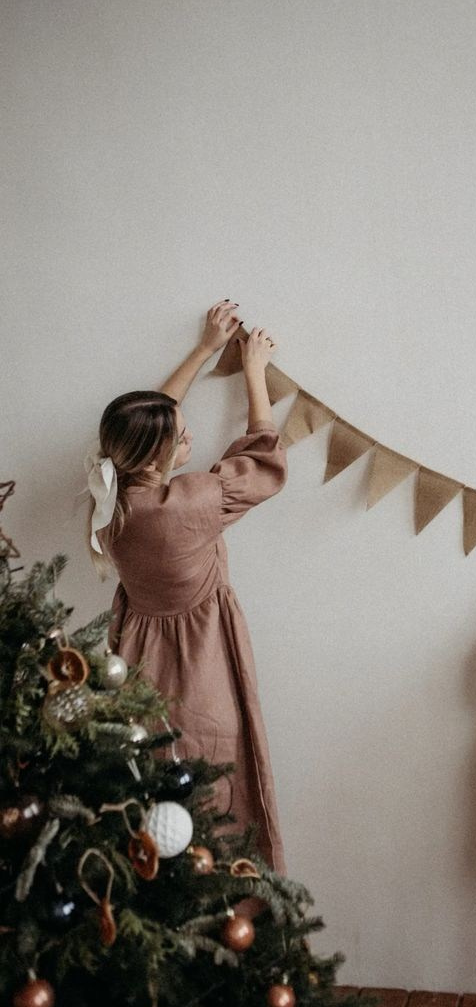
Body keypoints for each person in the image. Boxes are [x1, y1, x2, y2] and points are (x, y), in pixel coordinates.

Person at [86, 300, 288, 873]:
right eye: (181, 435)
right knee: (214, 778)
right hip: (200, 660)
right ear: (157, 454)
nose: (190, 433)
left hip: (136, 652)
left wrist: (203, 348)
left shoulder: (112, 500)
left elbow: (144, 422)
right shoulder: (188, 503)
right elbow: (265, 463)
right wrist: (254, 370)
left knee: (148, 783)